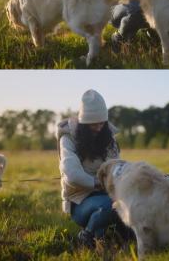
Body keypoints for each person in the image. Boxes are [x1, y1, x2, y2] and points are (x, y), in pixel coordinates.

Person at [56, 89, 128, 248]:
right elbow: (72, 174)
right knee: (110, 205)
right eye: (92, 124)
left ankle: (111, 234)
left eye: (101, 123)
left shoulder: (109, 139)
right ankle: (87, 234)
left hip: (106, 194)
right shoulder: (67, 139)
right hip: (79, 201)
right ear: (83, 123)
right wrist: (99, 183)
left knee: (127, 204)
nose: (98, 128)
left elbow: (116, 168)